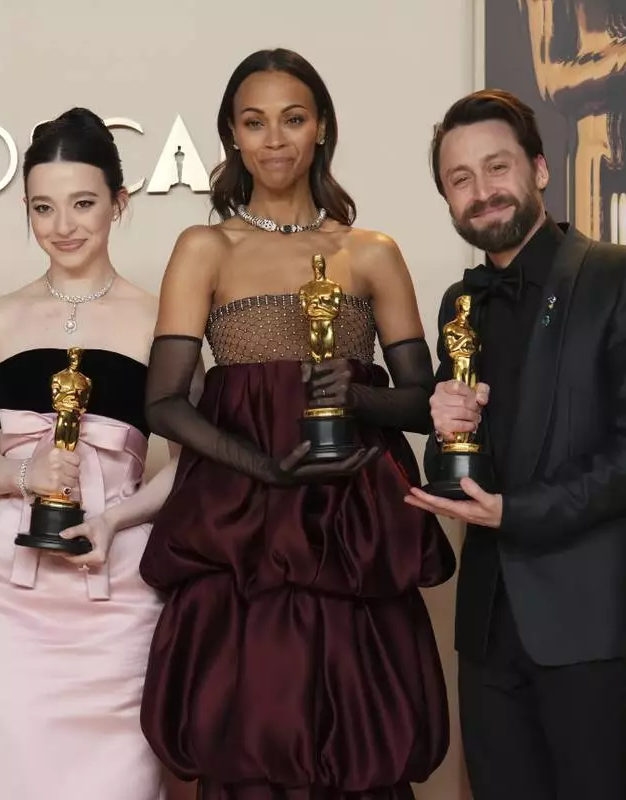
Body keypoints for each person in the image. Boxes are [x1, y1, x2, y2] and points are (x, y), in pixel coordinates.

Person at [138, 48, 456, 799]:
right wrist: (266, 469)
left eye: (292, 119)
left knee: (360, 734)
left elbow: (424, 404)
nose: (274, 140)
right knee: (249, 729)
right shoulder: (205, 247)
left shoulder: (372, 253)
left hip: (352, 523)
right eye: (254, 122)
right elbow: (163, 401)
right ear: (231, 134)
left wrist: (355, 395)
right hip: (240, 524)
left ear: (322, 128)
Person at [406, 89, 626, 800]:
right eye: (459, 179)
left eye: (496, 167)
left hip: (595, 624)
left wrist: (518, 512)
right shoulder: (460, 304)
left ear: (539, 169)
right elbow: (454, 462)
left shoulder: (625, 275)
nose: (481, 190)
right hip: (488, 632)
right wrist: (444, 430)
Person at [0, 107, 193, 800]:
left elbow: (189, 465)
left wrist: (116, 519)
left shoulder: (162, 320)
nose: (63, 225)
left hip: (119, 577)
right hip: (13, 586)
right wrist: (24, 472)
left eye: (83, 203)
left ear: (120, 201)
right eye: (43, 207)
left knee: (120, 778)